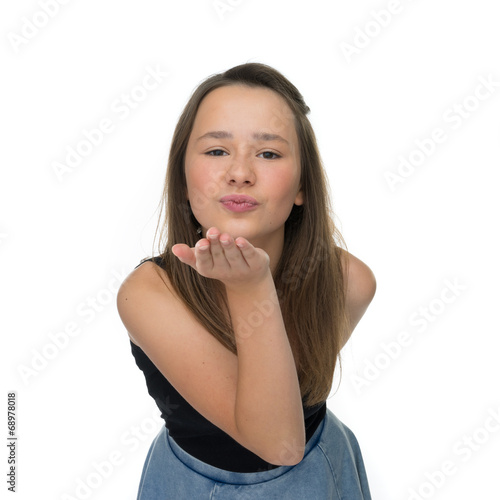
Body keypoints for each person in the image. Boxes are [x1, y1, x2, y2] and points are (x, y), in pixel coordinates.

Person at [116, 62, 376, 499]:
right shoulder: (148, 294)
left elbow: (285, 440)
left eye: (268, 153)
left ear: (302, 186)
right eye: (217, 151)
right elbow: (273, 442)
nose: (239, 173)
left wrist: (252, 288)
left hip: (320, 473)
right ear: (182, 178)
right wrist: (250, 288)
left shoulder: (348, 281)